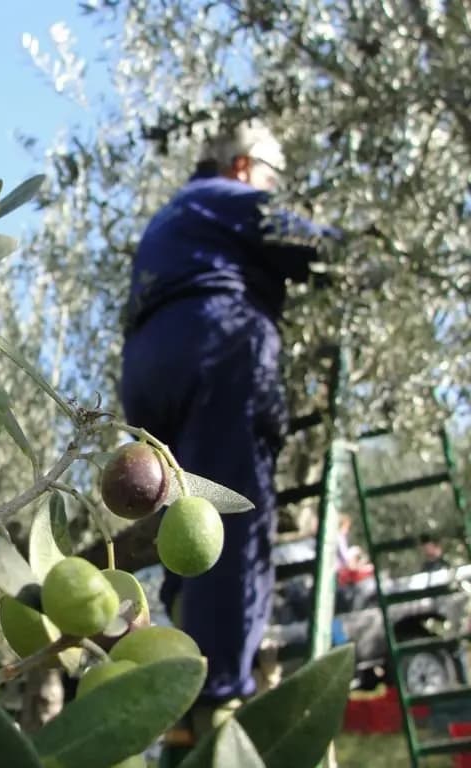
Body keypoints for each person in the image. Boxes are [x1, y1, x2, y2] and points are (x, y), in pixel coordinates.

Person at [119, 119, 340, 740]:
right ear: (245, 168)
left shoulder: (172, 217)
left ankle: (184, 673)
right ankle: (219, 700)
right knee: (233, 518)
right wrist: (359, 250)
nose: (275, 189)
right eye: (274, 177)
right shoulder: (230, 196)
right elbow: (308, 242)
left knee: (186, 524)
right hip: (219, 346)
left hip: (149, 368)